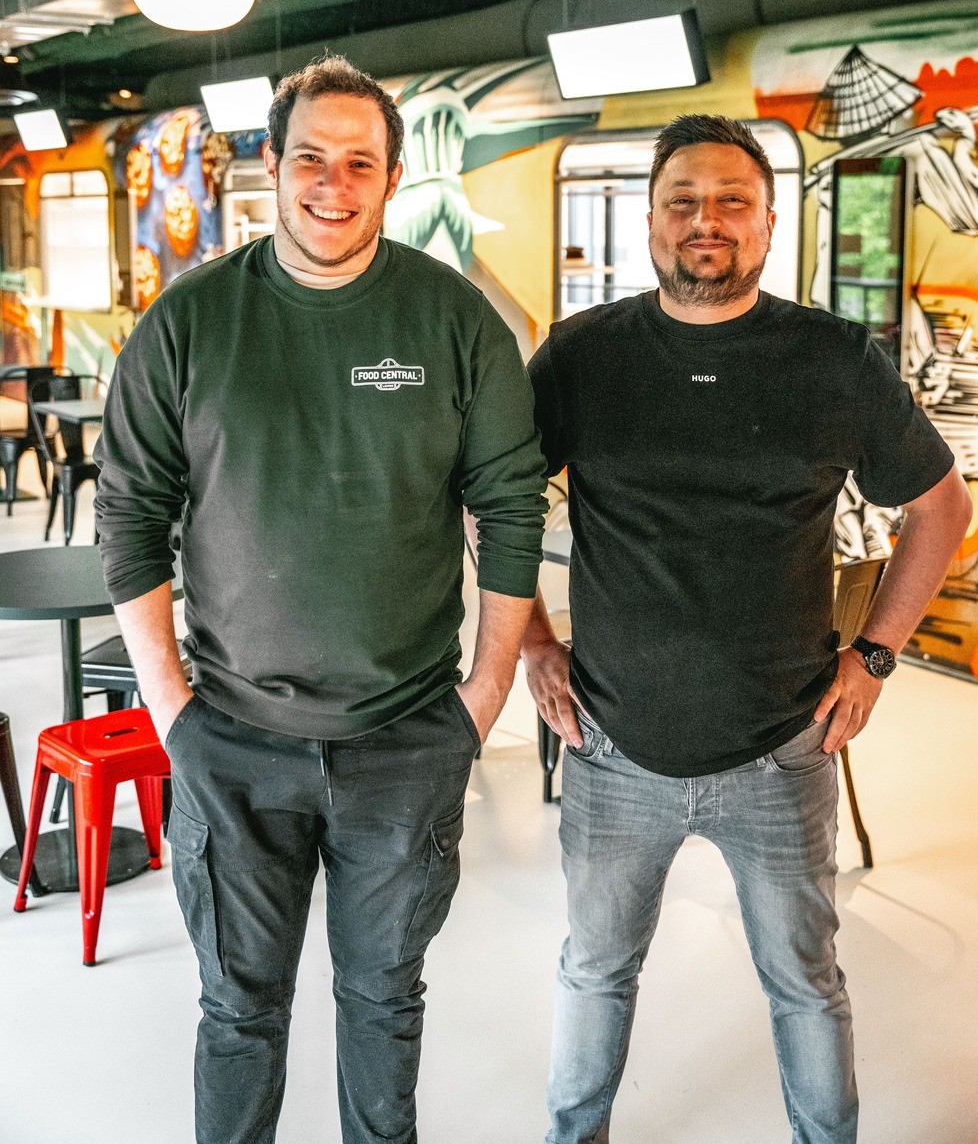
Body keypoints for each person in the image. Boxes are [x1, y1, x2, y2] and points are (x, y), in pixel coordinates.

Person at [94, 56, 547, 1144]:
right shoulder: (192, 321)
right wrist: (172, 708)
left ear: (393, 179)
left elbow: (514, 512)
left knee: (383, 1005)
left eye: (360, 163)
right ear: (272, 161)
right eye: (311, 157)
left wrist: (484, 694)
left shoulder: (455, 321)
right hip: (234, 742)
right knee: (239, 1011)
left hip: (404, 741)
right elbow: (128, 513)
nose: (331, 185)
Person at [523, 113, 971, 1144]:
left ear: (769, 221)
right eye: (684, 200)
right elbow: (489, 497)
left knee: (806, 983)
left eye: (731, 200)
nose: (706, 220)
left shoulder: (829, 358)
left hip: (783, 749)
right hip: (611, 746)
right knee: (593, 971)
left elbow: (942, 508)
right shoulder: (584, 356)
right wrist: (536, 642)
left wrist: (877, 654)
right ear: (651, 220)